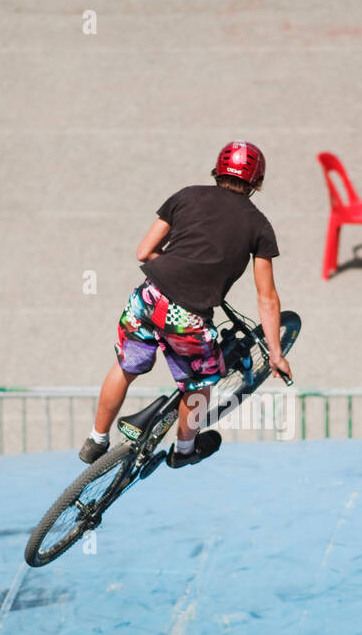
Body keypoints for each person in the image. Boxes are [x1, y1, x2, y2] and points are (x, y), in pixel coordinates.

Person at [80, 141, 292, 469]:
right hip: (188, 317)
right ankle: (184, 449)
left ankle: (96, 439)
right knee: (200, 383)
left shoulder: (187, 195)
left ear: (217, 171)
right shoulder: (259, 226)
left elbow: (144, 252)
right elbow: (266, 297)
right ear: (257, 183)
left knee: (125, 367)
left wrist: (179, 268)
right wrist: (276, 355)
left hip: (148, 297)